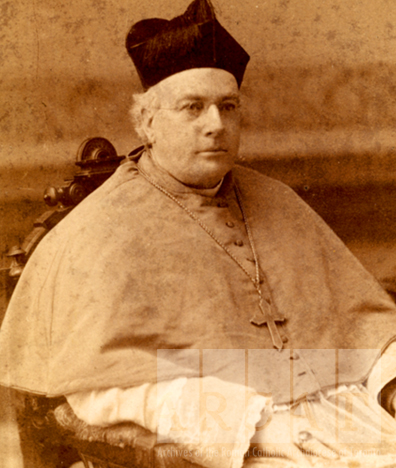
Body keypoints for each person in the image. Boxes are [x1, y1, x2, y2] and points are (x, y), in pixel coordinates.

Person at [1, 0, 396, 467]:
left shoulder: (280, 201)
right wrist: (257, 425)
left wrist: (391, 381)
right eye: (193, 108)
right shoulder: (100, 229)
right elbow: (101, 392)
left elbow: (366, 329)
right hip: (227, 442)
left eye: (228, 107)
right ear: (147, 123)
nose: (216, 125)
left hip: (344, 416)